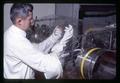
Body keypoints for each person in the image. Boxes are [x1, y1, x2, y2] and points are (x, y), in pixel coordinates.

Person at [4, 3, 73, 79]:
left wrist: (53, 38)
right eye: (30, 19)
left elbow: (35, 50)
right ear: (19, 21)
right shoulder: (17, 41)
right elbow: (47, 64)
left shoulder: (11, 33)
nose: (32, 22)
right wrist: (63, 43)